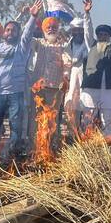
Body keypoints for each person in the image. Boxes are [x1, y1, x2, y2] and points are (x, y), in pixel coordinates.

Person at [0, 0, 42, 158]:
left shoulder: (22, 47)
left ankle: (11, 158)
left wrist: (33, 17)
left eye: (13, 30)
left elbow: (27, 33)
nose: (10, 32)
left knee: (15, 128)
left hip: (16, 94)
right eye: (7, 30)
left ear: (18, 33)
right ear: (3, 32)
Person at [79, 0, 111, 135]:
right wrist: (87, 14)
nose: (103, 36)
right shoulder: (91, 45)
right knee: (89, 119)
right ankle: (86, 144)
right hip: (92, 87)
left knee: (107, 121)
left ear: (109, 36)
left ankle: (106, 143)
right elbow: (87, 30)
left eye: (105, 35)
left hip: (109, 89)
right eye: (100, 34)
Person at [25, 16, 70, 148]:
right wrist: (32, 17)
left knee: (52, 119)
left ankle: (50, 148)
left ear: (58, 29)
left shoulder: (64, 45)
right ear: (43, 29)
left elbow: (67, 63)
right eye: (48, 27)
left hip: (55, 89)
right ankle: (34, 148)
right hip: (38, 88)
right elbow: (25, 37)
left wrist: (65, 78)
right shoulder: (38, 43)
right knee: (35, 118)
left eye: (54, 27)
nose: (51, 29)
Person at [64, 17, 88, 134]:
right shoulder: (67, 46)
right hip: (71, 83)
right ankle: (73, 137)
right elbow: (66, 62)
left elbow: (80, 58)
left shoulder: (88, 45)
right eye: (75, 30)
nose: (77, 33)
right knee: (71, 110)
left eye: (80, 30)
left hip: (86, 83)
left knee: (86, 111)